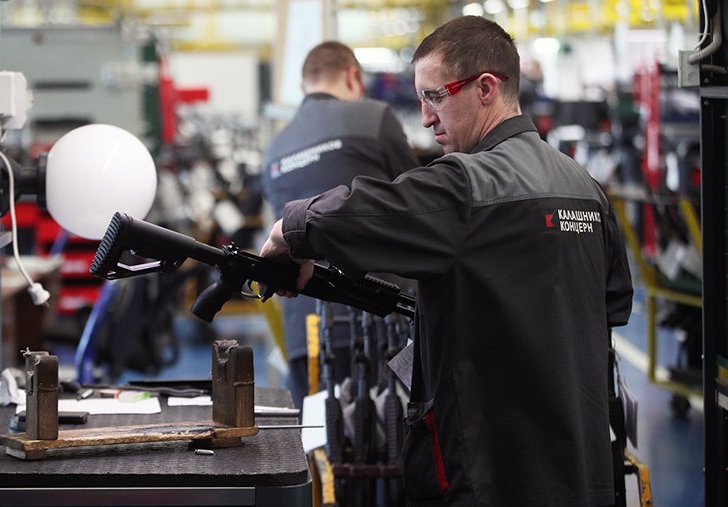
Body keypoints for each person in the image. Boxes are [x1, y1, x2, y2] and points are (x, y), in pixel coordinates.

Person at [259, 16, 633, 506]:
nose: (426, 118)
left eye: (434, 97)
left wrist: (288, 229)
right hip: (582, 473)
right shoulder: (586, 189)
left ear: (485, 88)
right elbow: (612, 304)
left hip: (491, 474)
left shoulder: (465, 185)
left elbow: (366, 211)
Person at [261, 40, 418, 411]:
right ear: (352, 76)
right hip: (383, 319)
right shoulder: (373, 117)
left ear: (303, 87)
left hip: (306, 331)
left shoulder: (275, 149)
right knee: (394, 433)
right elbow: (420, 205)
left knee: (319, 436)